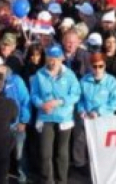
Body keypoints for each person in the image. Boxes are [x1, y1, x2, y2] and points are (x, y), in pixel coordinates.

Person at [29, 44, 81, 184]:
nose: (53, 62)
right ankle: (48, 180)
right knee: (45, 153)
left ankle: (62, 180)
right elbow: (34, 95)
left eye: (56, 59)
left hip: (64, 117)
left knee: (62, 152)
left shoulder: (69, 75)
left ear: (61, 59)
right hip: (45, 116)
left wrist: (60, 102)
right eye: (50, 58)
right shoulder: (39, 74)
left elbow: (76, 94)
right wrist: (41, 104)